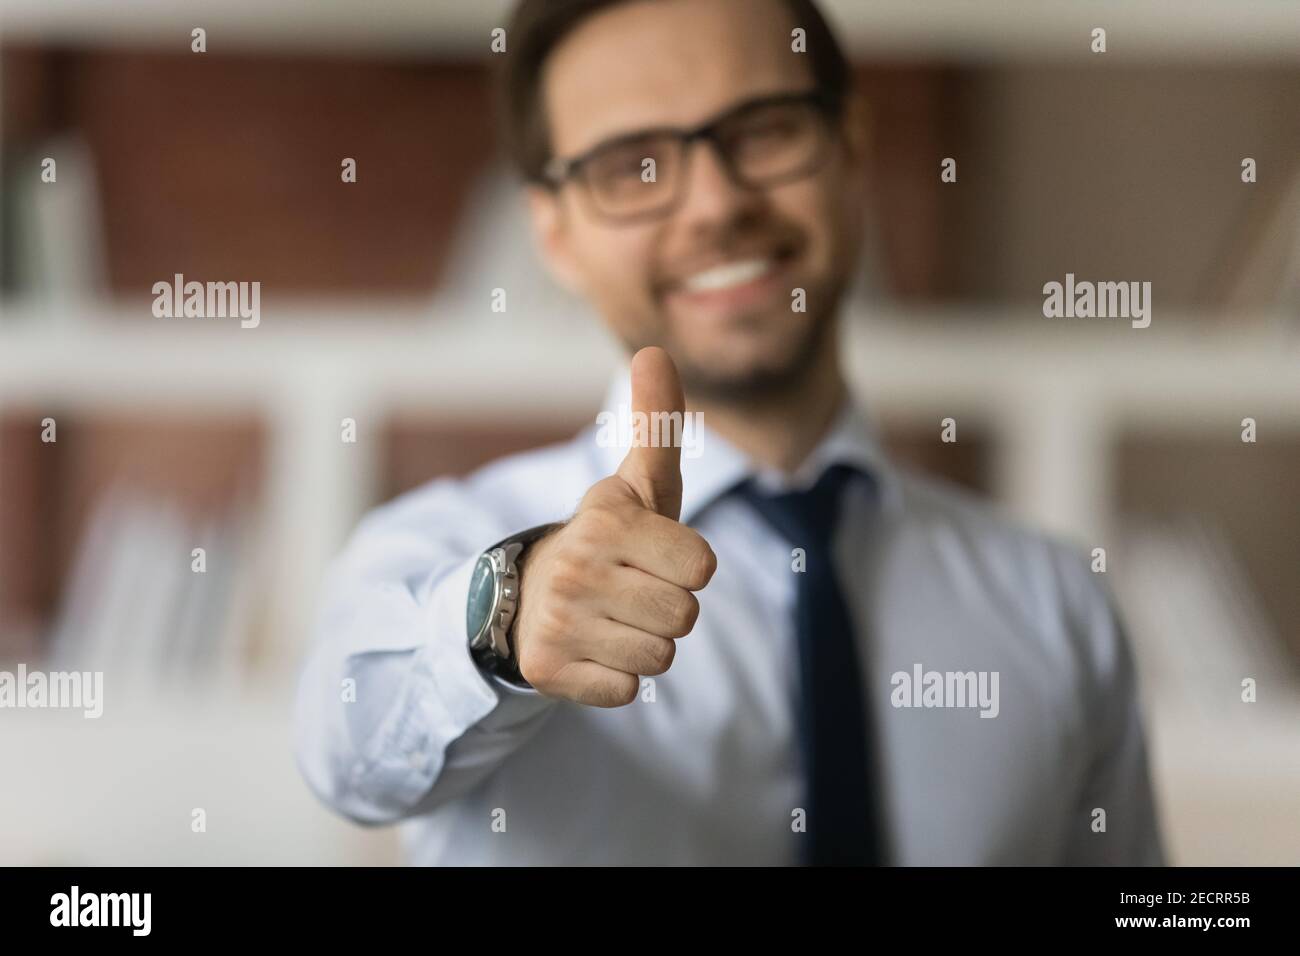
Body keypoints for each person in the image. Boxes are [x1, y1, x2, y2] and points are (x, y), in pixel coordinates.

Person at [293, 0, 1164, 865]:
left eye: (764, 130)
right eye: (633, 165)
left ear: (851, 149)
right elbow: (345, 756)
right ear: (554, 233)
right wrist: (510, 625)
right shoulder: (442, 548)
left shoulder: (1056, 603)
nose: (715, 205)